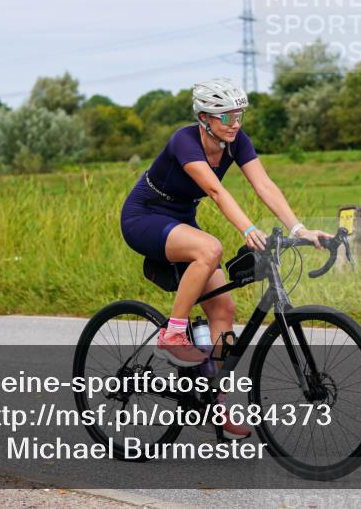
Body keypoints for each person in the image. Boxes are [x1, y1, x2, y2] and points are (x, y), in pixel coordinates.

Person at [120, 77, 332, 439]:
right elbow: (216, 192)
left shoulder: (236, 142)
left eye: (239, 116)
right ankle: (172, 334)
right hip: (145, 217)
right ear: (204, 118)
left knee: (223, 311)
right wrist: (248, 229)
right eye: (226, 117)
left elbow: (264, 185)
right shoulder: (184, 141)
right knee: (210, 248)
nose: (235, 124)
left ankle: (216, 406)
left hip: (182, 219)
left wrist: (299, 229)